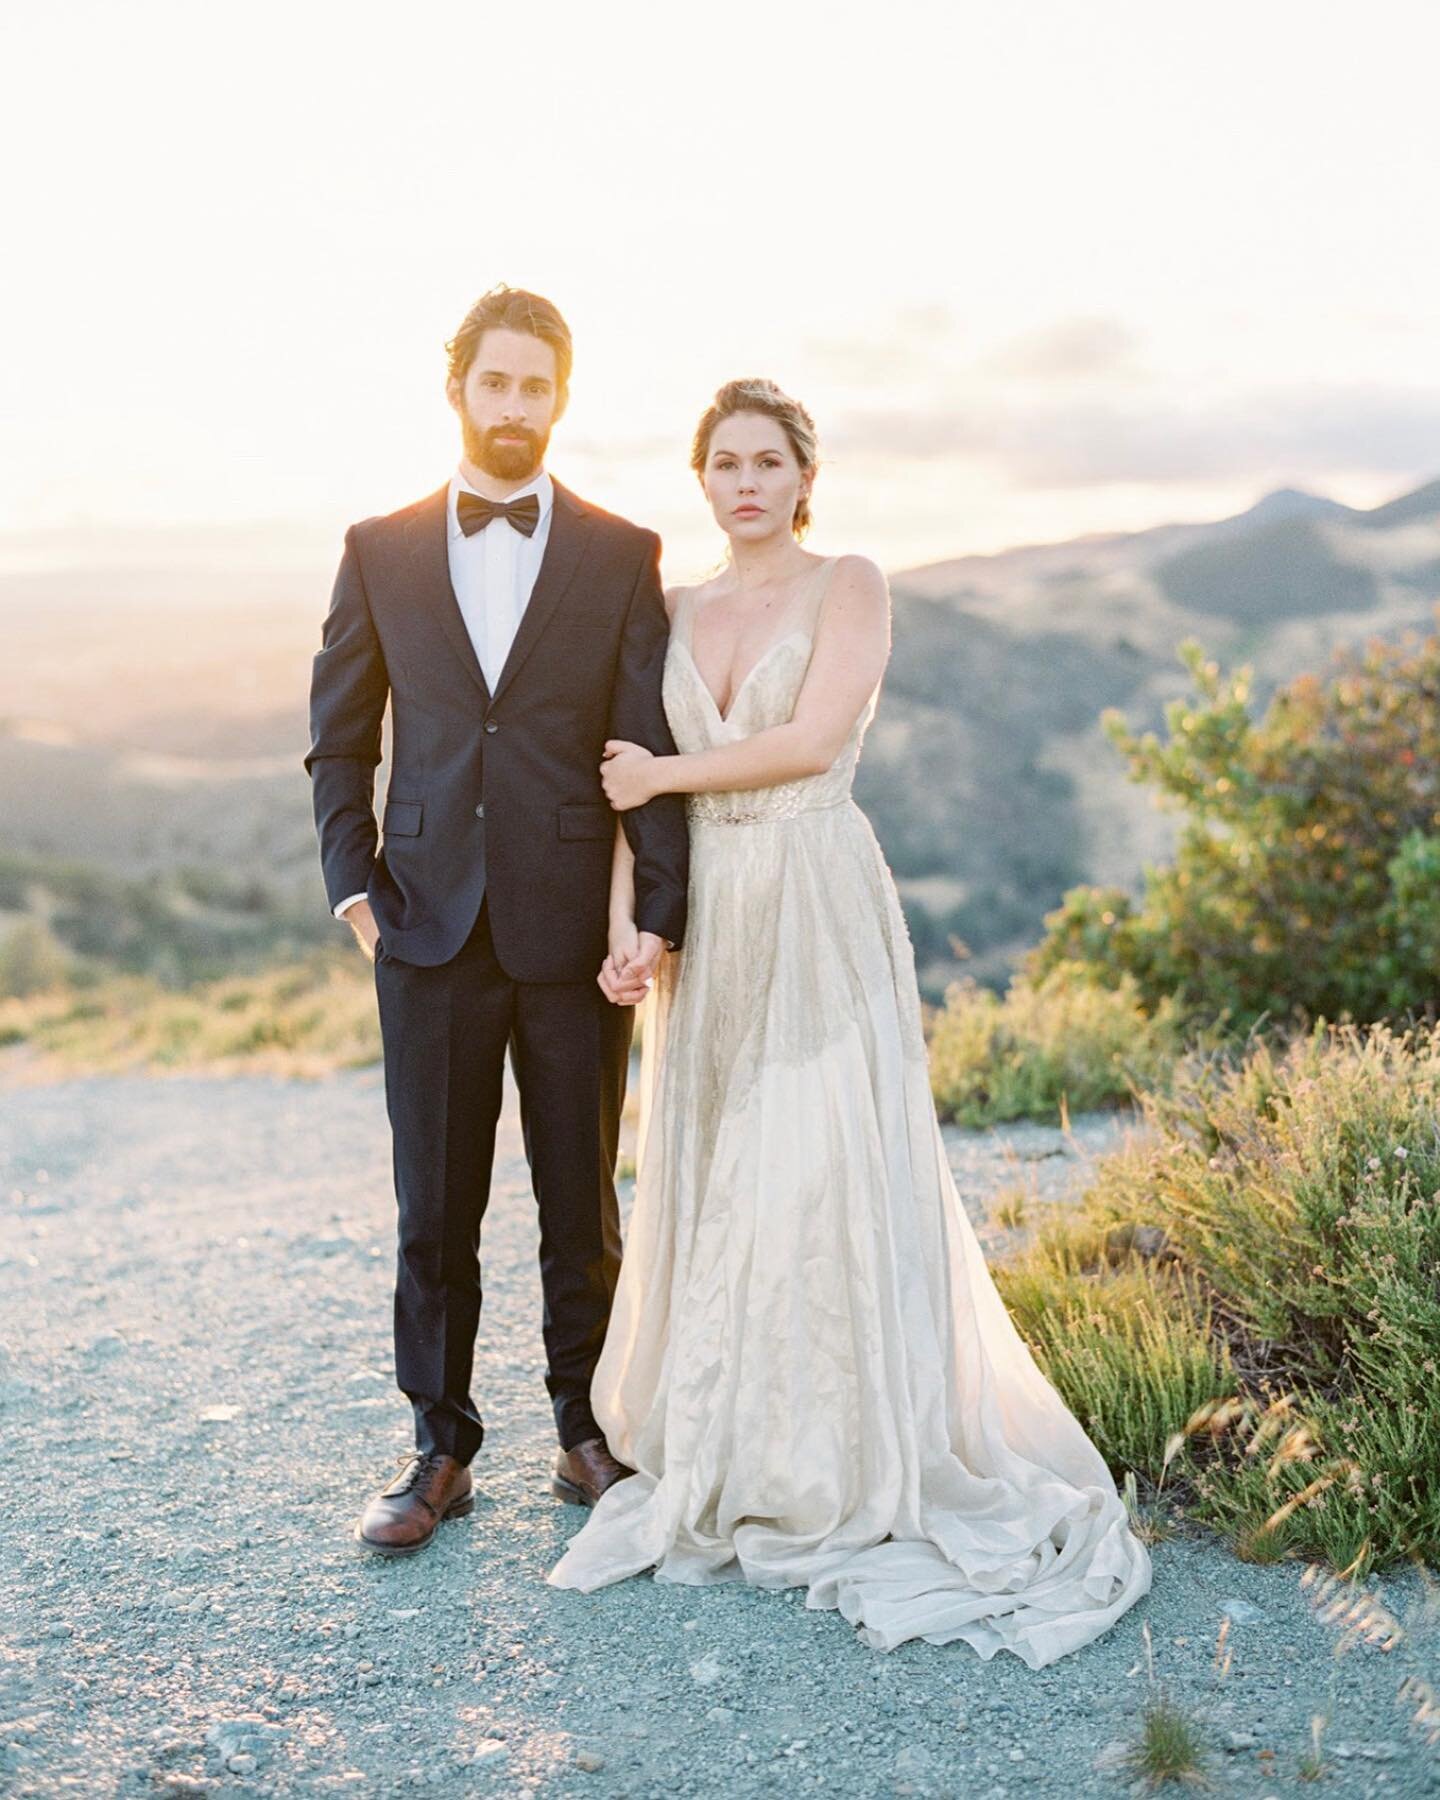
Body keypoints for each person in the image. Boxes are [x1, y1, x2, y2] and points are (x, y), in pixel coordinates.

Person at [547, 379, 1152, 1665]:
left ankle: (849, 1445)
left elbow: (813, 743)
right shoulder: (673, 608)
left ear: (804, 476)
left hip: (814, 892)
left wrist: (666, 773)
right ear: (701, 480)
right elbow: (627, 792)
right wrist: (628, 925)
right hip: (708, 914)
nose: (747, 480)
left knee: (819, 1162)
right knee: (723, 1177)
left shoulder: (850, 585)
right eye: (725, 461)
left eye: (769, 459)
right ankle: (740, 1433)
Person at [305, 286, 688, 1556]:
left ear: (559, 399)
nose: (514, 406)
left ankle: (588, 1428)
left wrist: (659, 915)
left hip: (578, 929)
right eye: (495, 383)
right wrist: (355, 886)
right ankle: (440, 1448)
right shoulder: (378, 547)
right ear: (459, 390)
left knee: (581, 1200)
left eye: (536, 386)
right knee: (436, 1205)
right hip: (420, 926)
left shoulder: (623, 553)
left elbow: (648, 745)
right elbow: (339, 739)